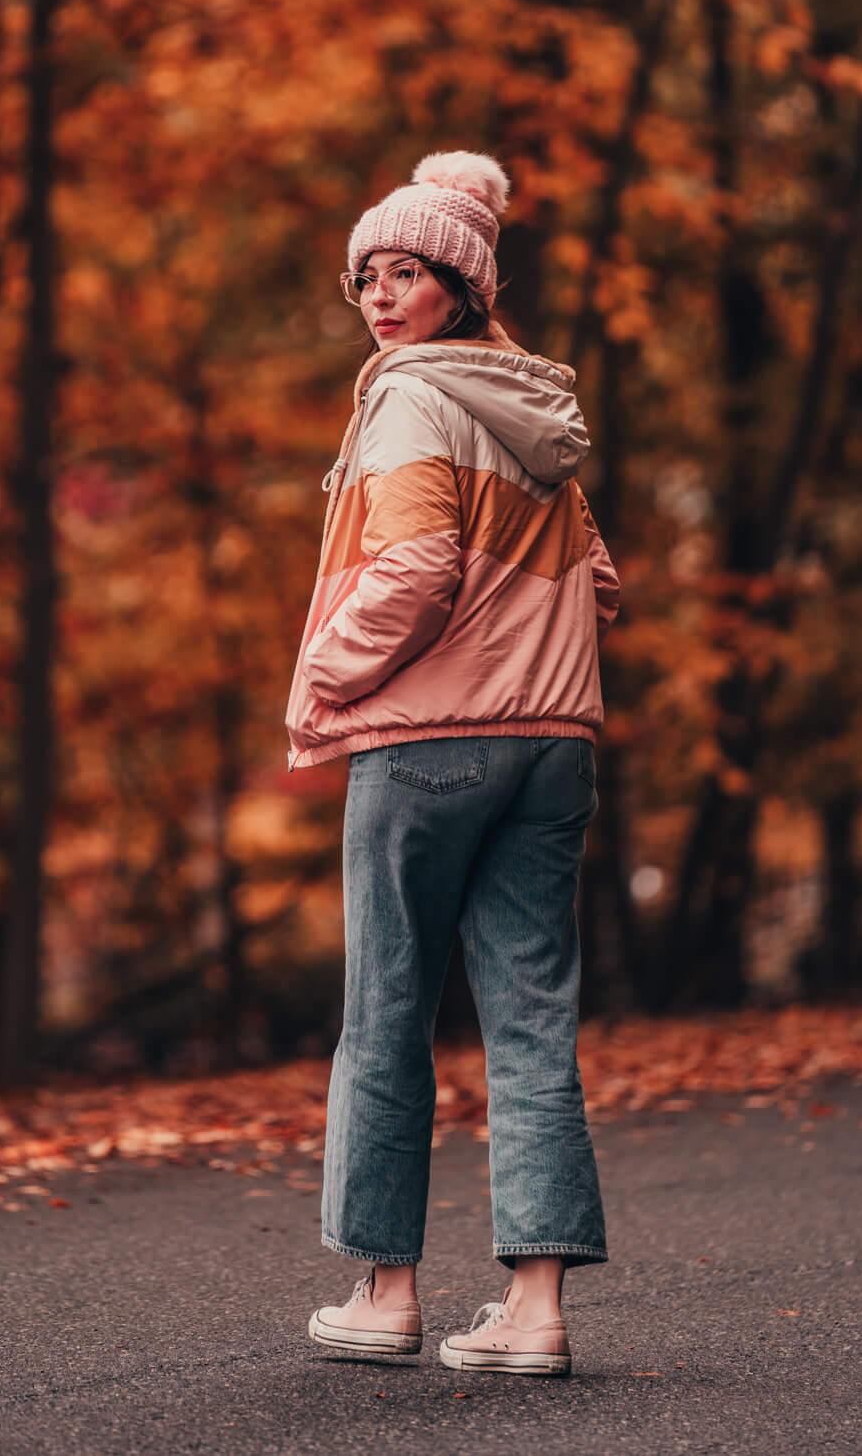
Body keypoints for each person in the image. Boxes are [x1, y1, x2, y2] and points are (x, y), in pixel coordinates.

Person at [286, 150, 619, 1378]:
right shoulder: (537, 414)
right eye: (366, 275)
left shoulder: (409, 396)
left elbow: (416, 570)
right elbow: (598, 578)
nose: (379, 296)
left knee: (385, 1017)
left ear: (459, 288)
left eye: (408, 272)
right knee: (530, 1022)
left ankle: (385, 1295)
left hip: (430, 742)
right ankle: (533, 1317)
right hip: (550, 744)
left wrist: (326, 667)